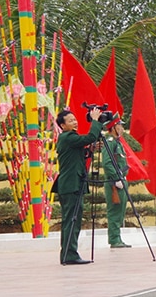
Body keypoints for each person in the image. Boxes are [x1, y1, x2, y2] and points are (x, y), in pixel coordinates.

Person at [52, 106, 104, 265]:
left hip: (72, 184)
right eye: (70, 121)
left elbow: (78, 155)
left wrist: (90, 149)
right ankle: (69, 254)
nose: (74, 122)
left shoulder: (69, 139)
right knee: (71, 220)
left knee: (72, 220)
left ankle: (69, 253)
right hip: (70, 185)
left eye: (75, 119)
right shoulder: (68, 137)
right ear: (62, 125)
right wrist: (95, 121)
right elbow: (89, 137)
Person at [101, 116, 132, 249]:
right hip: (114, 182)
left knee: (120, 212)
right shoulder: (110, 141)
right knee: (114, 212)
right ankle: (114, 239)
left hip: (120, 181)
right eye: (120, 125)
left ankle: (117, 238)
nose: (122, 128)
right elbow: (107, 163)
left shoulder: (117, 142)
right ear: (113, 127)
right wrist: (115, 178)